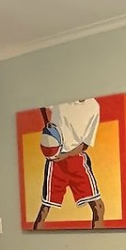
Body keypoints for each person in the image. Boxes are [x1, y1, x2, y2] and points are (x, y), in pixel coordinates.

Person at [34, 98, 105, 229]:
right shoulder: (61, 101)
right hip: (56, 161)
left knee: (98, 206)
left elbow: (85, 144)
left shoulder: (94, 106)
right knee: (45, 209)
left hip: (76, 160)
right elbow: (41, 102)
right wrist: (47, 124)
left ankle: (99, 238)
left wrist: (66, 155)